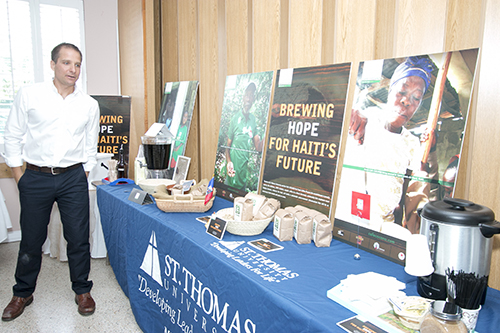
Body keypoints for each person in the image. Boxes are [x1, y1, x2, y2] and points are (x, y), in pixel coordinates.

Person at [2, 43, 99, 321]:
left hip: (73, 177)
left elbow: (90, 147)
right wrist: (20, 178)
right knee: (31, 240)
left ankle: (82, 290)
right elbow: (12, 136)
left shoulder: (89, 105)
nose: (73, 69)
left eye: (78, 64)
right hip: (35, 177)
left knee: (79, 238)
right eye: (67, 63)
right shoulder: (29, 95)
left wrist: (83, 173)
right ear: (53, 64)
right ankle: (22, 292)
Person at [336, 56, 434, 234]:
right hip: (348, 220)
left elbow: (408, 190)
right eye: (402, 92)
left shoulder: (411, 142)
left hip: (383, 228)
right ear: (390, 90)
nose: (407, 102)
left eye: (416, 98)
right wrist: (349, 116)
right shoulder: (366, 120)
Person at [225, 82, 263, 190]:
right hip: (231, 173)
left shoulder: (253, 120)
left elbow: (258, 147)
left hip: (243, 176)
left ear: (253, 100)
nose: (248, 98)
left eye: (251, 96)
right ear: (243, 98)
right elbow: (227, 147)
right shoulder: (234, 119)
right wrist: (229, 162)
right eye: (247, 95)